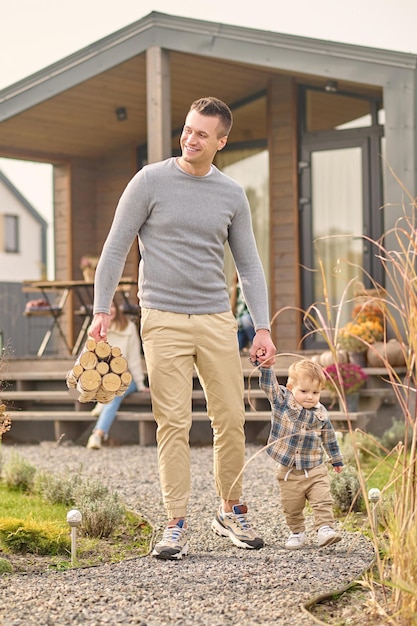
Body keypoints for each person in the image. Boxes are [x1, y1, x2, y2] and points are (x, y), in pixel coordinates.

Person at [89, 96, 276, 561]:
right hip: (163, 318)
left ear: (221, 141)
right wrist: (100, 309)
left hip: (215, 318)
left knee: (230, 419)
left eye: (202, 134)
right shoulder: (149, 181)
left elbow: (250, 266)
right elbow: (115, 249)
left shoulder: (232, 194)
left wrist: (264, 328)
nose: (191, 139)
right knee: (173, 422)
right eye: (188, 129)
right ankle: (174, 523)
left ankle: (230, 511)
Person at [257, 358, 343, 550]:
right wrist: (266, 367)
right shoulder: (283, 402)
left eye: (315, 392)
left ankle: (325, 529)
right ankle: (297, 532)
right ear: (290, 387)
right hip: (289, 472)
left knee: (323, 500)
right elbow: (268, 386)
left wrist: (336, 459)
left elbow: (328, 437)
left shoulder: (320, 414)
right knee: (291, 506)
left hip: (315, 469)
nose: (310, 397)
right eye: (304, 391)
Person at [87, 301, 149, 450]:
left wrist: (140, 384)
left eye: (113, 306)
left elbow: (134, 358)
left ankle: (97, 434)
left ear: (118, 308)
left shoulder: (129, 327)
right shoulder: (96, 328)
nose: (110, 310)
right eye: (106, 307)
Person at [230, 272, 255, 352]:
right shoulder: (234, 289)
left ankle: (254, 344)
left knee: (245, 319)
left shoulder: (251, 288)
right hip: (239, 326)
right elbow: (231, 309)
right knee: (236, 348)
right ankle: (245, 345)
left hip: (250, 323)